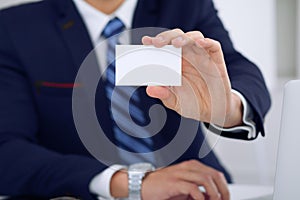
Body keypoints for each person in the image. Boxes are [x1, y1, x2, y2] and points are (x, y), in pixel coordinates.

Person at [0, 0, 271, 199]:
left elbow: (240, 71)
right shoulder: (16, 28)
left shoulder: (185, 6)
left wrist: (225, 107)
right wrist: (128, 182)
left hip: (197, 189)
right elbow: (7, 150)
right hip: (82, 191)